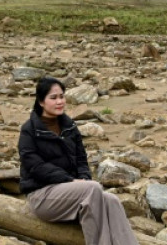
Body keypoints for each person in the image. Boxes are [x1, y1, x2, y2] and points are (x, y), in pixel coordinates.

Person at [18, 76, 139, 245]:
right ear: (41, 102)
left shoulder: (69, 126)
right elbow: (35, 166)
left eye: (61, 96)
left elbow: (81, 159)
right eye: (53, 98)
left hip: (72, 192)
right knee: (93, 189)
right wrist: (69, 180)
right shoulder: (29, 130)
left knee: (111, 201)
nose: (59, 101)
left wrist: (83, 178)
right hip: (42, 195)